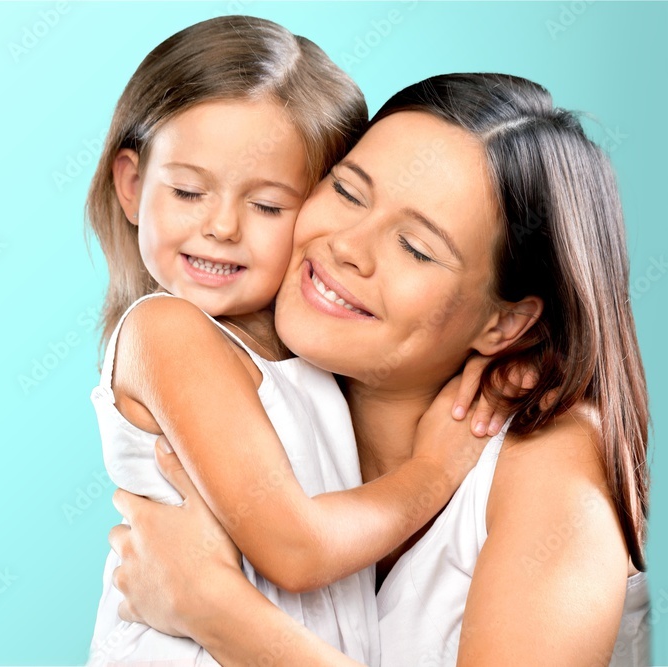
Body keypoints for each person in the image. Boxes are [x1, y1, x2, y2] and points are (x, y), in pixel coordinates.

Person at [109, 73, 651, 666]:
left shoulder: (549, 461)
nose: (347, 246)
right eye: (347, 192)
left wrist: (216, 610)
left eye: (416, 248)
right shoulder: (248, 390)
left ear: (505, 323)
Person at [85, 18, 508, 666]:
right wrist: (432, 472)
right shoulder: (165, 331)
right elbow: (297, 550)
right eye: (190, 190)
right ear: (132, 185)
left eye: (268, 206)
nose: (221, 226)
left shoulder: (314, 355)